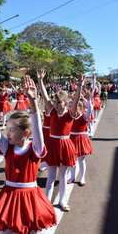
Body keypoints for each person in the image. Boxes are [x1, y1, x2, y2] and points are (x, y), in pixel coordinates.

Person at [0, 76, 57, 234]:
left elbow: (38, 130)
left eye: (12, 130)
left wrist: (32, 102)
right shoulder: (7, 147)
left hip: (31, 198)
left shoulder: (36, 148)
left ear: (25, 133)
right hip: (9, 196)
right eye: (7, 129)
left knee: (33, 230)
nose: (7, 133)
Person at [37, 69, 84, 211]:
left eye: (59, 102)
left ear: (65, 103)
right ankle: (47, 202)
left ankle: (62, 201)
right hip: (52, 144)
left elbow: (75, 100)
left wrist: (80, 86)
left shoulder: (70, 113)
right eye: (55, 102)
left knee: (62, 177)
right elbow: (45, 96)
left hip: (64, 145)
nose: (56, 104)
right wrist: (40, 80)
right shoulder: (51, 111)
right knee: (50, 177)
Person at [67, 94, 93, 186]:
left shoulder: (84, 117)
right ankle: (72, 177)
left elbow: (89, 111)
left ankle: (82, 178)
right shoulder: (71, 117)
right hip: (72, 139)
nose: (74, 111)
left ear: (81, 109)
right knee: (72, 159)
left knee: (81, 160)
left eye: (76, 109)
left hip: (81, 140)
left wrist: (89, 101)